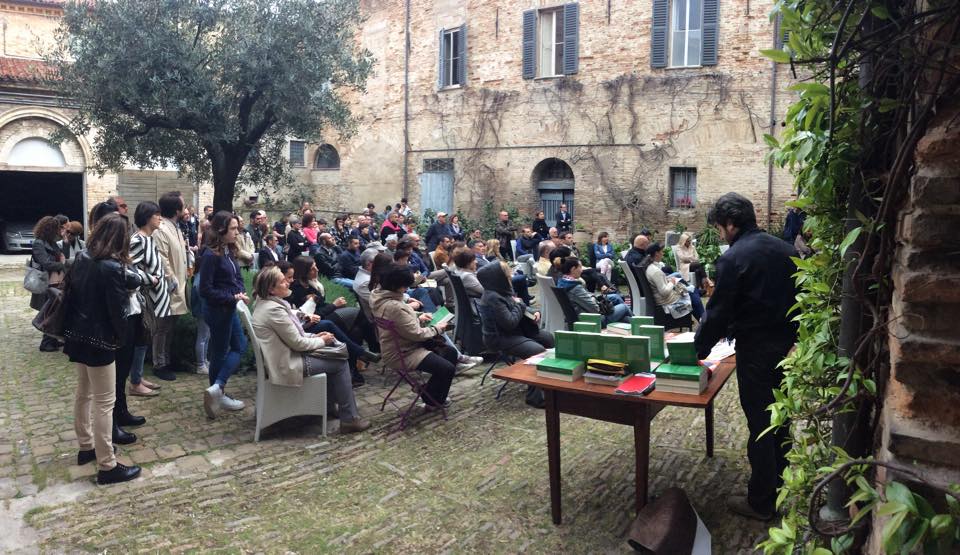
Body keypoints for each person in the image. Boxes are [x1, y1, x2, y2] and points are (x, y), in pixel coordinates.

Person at [694, 192, 799, 522]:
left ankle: (761, 501)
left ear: (729, 223)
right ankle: (780, 485)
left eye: (719, 228)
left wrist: (695, 351)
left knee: (760, 424)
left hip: (755, 350)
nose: (720, 235)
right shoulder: (786, 249)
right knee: (779, 418)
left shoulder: (733, 258)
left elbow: (718, 314)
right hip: (785, 347)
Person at [62, 213, 142, 485]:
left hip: (78, 336)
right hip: (100, 341)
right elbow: (118, 312)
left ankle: (87, 447)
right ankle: (107, 465)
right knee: (105, 402)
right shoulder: (112, 268)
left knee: (83, 394)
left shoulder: (82, 258)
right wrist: (120, 339)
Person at [251, 267, 371, 434]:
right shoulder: (274, 310)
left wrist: (315, 337)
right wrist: (321, 340)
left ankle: (330, 407)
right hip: (288, 363)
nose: (288, 282)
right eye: (283, 281)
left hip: (284, 356)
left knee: (333, 351)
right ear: (271, 289)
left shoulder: (266, 304)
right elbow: (298, 344)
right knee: (340, 362)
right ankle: (349, 419)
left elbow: (292, 336)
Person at [370, 265, 457, 409]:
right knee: (447, 368)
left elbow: (399, 319)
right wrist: (437, 329)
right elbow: (416, 334)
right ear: (396, 286)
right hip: (404, 352)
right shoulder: (394, 306)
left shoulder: (378, 296)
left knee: (451, 353)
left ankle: (430, 392)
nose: (406, 290)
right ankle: (432, 399)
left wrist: (419, 316)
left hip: (399, 345)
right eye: (405, 286)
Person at [477, 262, 553, 408]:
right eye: (507, 274)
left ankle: (549, 383)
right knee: (536, 350)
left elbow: (519, 306)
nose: (510, 276)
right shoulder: (493, 297)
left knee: (548, 338)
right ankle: (535, 396)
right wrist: (520, 305)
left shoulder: (503, 289)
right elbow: (510, 321)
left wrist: (534, 312)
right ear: (499, 277)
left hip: (516, 332)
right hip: (500, 337)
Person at [198, 211, 249, 419]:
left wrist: (240, 291)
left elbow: (236, 277)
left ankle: (217, 389)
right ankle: (218, 391)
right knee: (221, 351)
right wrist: (232, 296)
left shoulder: (228, 250)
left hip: (229, 307)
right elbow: (206, 290)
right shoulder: (211, 255)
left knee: (239, 346)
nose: (237, 232)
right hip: (219, 311)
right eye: (233, 229)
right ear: (221, 230)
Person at [126, 201, 168, 399]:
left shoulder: (150, 239)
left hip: (152, 297)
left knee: (144, 339)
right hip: (142, 297)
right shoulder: (138, 240)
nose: (160, 218)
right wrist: (151, 279)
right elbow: (128, 269)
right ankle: (135, 382)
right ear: (146, 217)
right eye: (156, 215)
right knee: (141, 339)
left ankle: (138, 377)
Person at [150, 192, 189, 380]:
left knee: (171, 327)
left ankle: (168, 359)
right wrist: (171, 279)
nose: (186, 207)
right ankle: (159, 364)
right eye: (183, 205)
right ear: (177, 209)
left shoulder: (176, 227)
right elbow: (161, 257)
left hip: (178, 284)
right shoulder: (161, 229)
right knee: (162, 327)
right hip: (167, 287)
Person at [556, 257, 631, 326]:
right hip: (591, 320)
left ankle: (636, 328)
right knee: (624, 307)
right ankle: (639, 324)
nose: (582, 270)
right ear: (573, 269)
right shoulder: (575, 287)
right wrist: (594, 298)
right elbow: (595, 309)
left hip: (581, 315)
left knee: (617, 301)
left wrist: (593, 297)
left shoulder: (562, 281)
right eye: (580, 267)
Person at [642, 243, 705, 321]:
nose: (663, 253)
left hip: (662, 298)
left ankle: (702, 319)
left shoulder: (650, 267)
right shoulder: (655, 271)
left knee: (692, 291)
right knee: (693, 292)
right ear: (656, 253)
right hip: (667, 301)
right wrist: (672, 282)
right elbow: (664, 292)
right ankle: (703, 320)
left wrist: (667, 280)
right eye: (661, 251)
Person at [31, 215, 66, 352]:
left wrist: (64, 240)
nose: (59, 231)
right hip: (45, 281)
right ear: (50, 229)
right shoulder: (38, 243)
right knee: (48, 311)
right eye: (57, 229)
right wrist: (60, 264)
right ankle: (45, 343)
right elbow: (45, 262)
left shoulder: (51, 242)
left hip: (54, 281)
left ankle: (51, 339)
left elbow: (62, 255)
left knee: (53, 309)